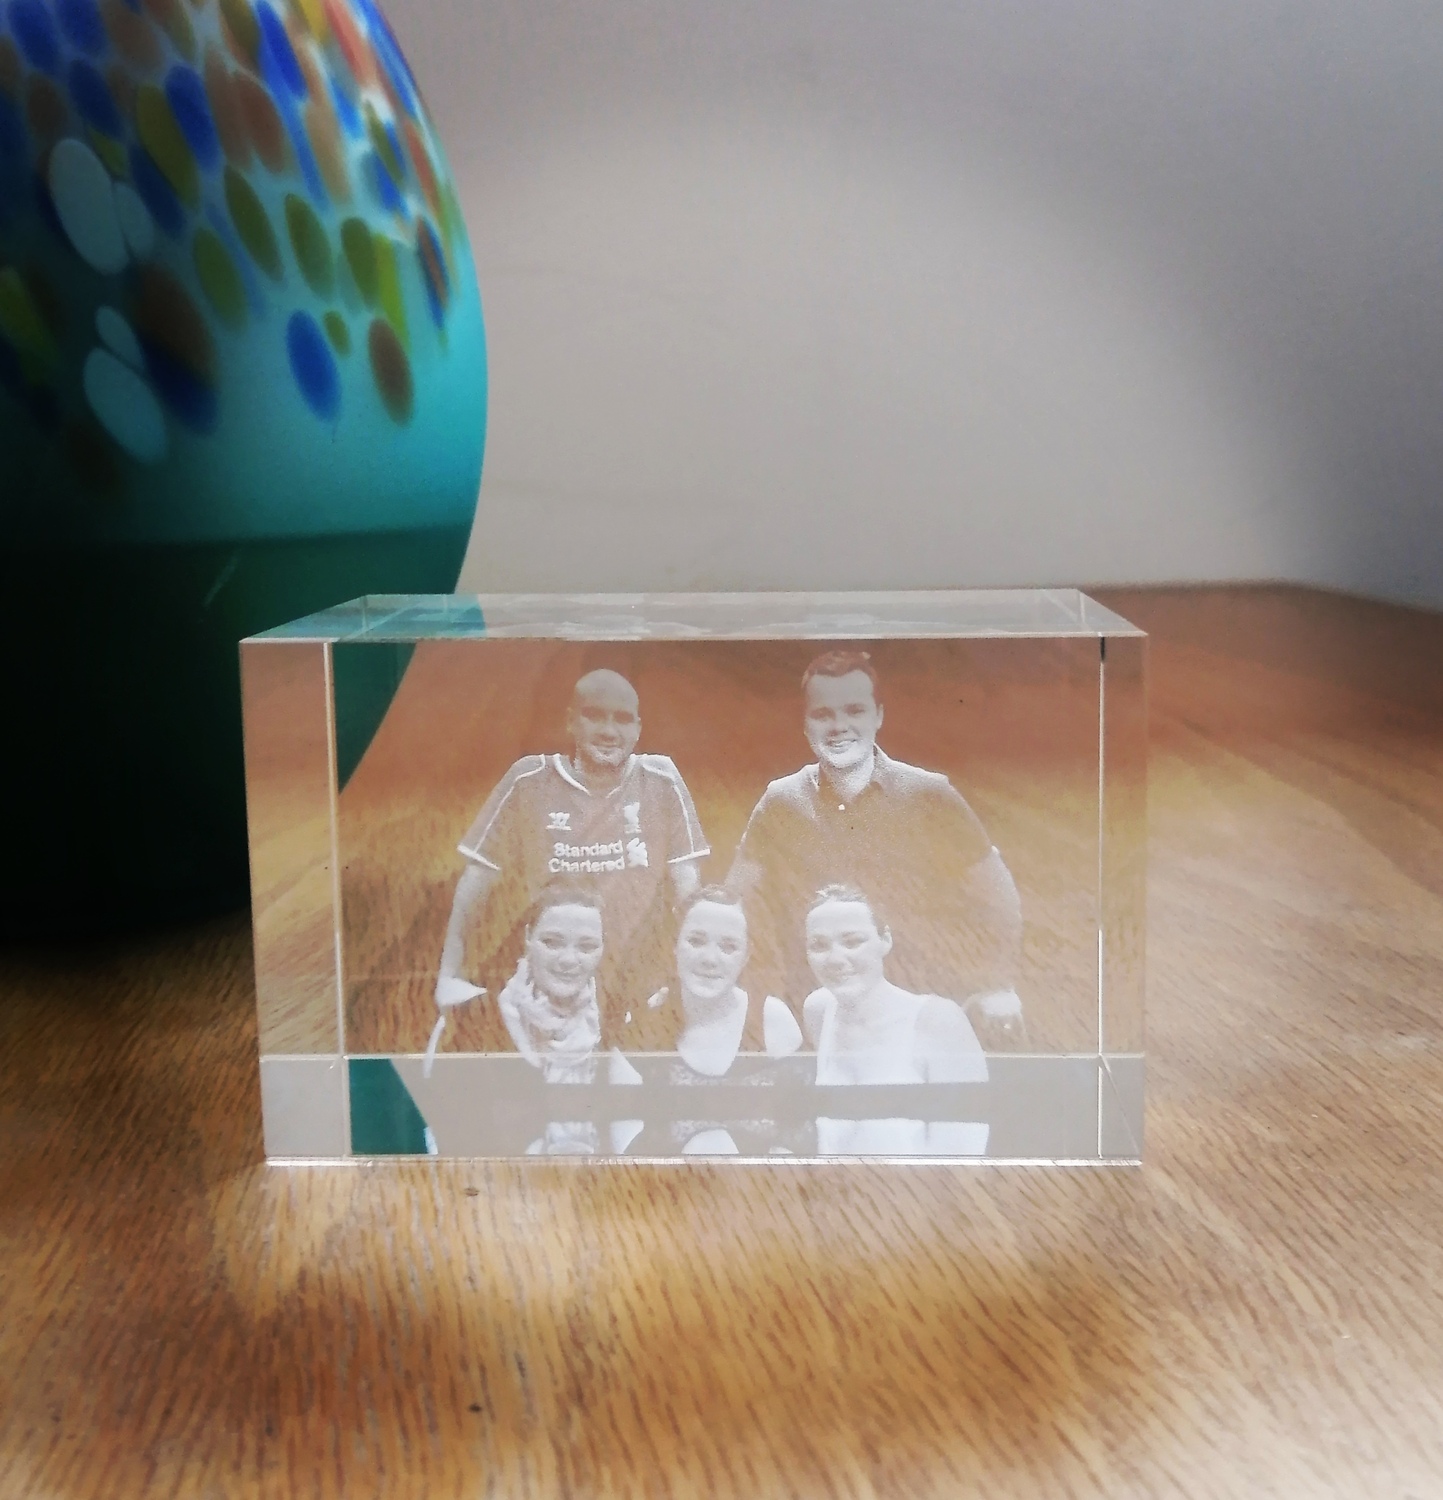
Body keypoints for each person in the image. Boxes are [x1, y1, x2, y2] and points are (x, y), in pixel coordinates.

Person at [727, 648, 1025, 1044]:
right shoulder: (781, 802)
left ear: (878, 716)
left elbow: (998, 896)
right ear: (805, 724)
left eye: (855, 710)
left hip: (919, 1011)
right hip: (818, 1015)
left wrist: (998, 984)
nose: (839, 726)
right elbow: (733, 903)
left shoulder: (929, 795)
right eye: (823, 714)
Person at [433, 668, 709, 1047]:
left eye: (622, 719)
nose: (609, 730)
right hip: (553, 976)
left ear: (638, 728)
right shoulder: (530, 779)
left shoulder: (660, 779)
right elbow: (476, 881)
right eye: (595, 715)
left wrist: (682, 983)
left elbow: (688, 894)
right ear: (571, 721)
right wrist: (449, 976)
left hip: (637, 981)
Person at [615, 886, 804, 1155]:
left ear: (746, 956)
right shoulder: (647, 1021)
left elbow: (799, 1133)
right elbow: (623, 1142)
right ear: (674, 945)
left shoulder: (772, 1020)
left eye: (728, 947)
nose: (710, 959)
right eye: (696, 941)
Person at [802, 884, 988, 1156]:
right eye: (819, 946)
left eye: (852, 942)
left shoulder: (937, 1020)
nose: (835, 959)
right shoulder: (819, 1010)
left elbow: (964, 1154)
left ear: (885, 940)